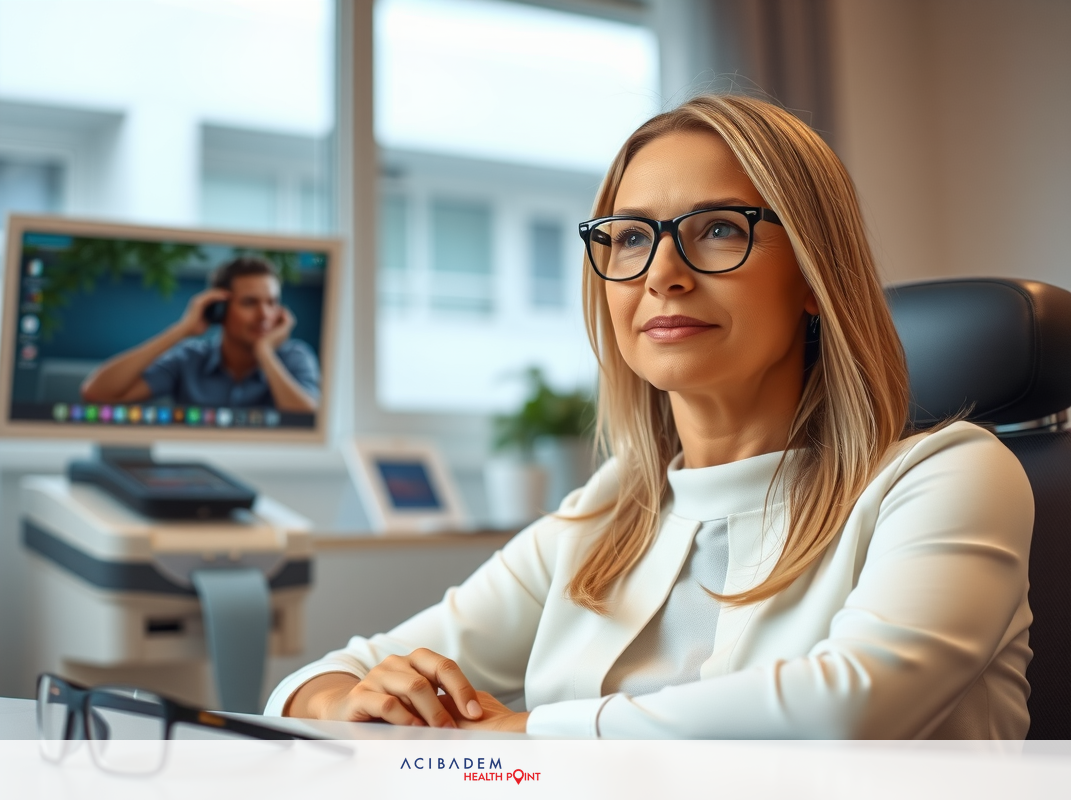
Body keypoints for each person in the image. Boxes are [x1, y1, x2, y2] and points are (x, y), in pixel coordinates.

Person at [266, 95, 1034, 738]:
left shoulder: (950, 477)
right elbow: (326, 677)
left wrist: (531, 733)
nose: (663, 273)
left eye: (720, 229)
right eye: (630, 237)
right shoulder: (610, 514)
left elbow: (847, 709)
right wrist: (342, 702)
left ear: (812, 272)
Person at [79, 257, 320, 413]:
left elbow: (310, 419)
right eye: (250, 303)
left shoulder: (295, 356)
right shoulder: (189, 359)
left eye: (272, 302)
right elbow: (97, 394)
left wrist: (265, 353)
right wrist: (182, 330)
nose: (265, 315)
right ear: (220, 309)